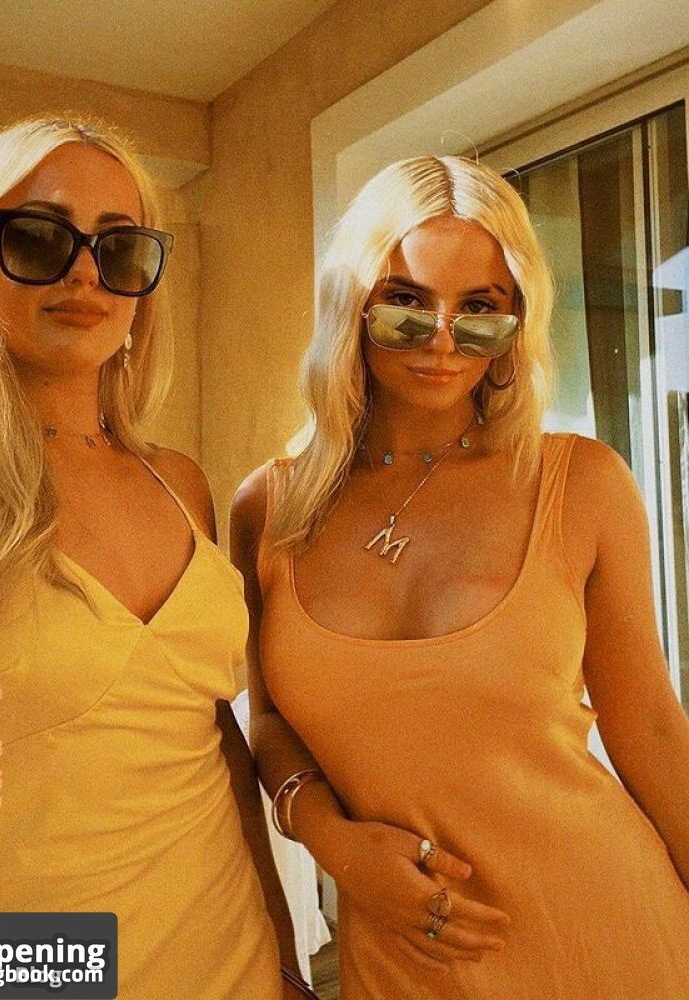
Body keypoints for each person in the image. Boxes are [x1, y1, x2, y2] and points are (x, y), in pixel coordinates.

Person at [231, 153, 689, 998]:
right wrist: (336, 845)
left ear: (516, 320)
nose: (443, 340)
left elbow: (654, 732)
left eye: (479, 310)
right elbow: (267, 724)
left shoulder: (580, 484)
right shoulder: (270, 508)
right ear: (352, 305)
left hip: (613, 937)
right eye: (407, 303)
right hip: (403, 960)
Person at [0, 116, 316, 999]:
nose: (84, 271)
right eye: (39, 237)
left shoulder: (177, 481)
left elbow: (211, 739)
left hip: (226, 949)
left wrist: (281, 951)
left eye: (119, 248)